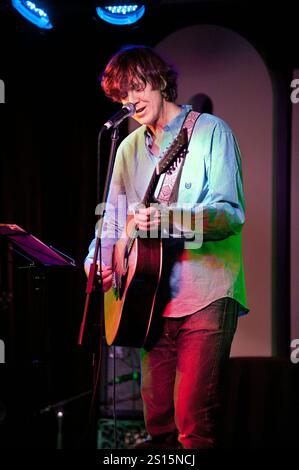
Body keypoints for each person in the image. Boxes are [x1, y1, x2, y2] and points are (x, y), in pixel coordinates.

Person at [85, 45, 249, 449]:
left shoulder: (211, 132)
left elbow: (230, 213)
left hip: (207, 294)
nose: (130, 101)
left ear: (159, 80)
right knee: (157, 423)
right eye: (121, 95)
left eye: (136, 87)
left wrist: (171, 217)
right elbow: (111, 222)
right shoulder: (127, 148)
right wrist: (99, 262)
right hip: (149, 300)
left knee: (193, 424)